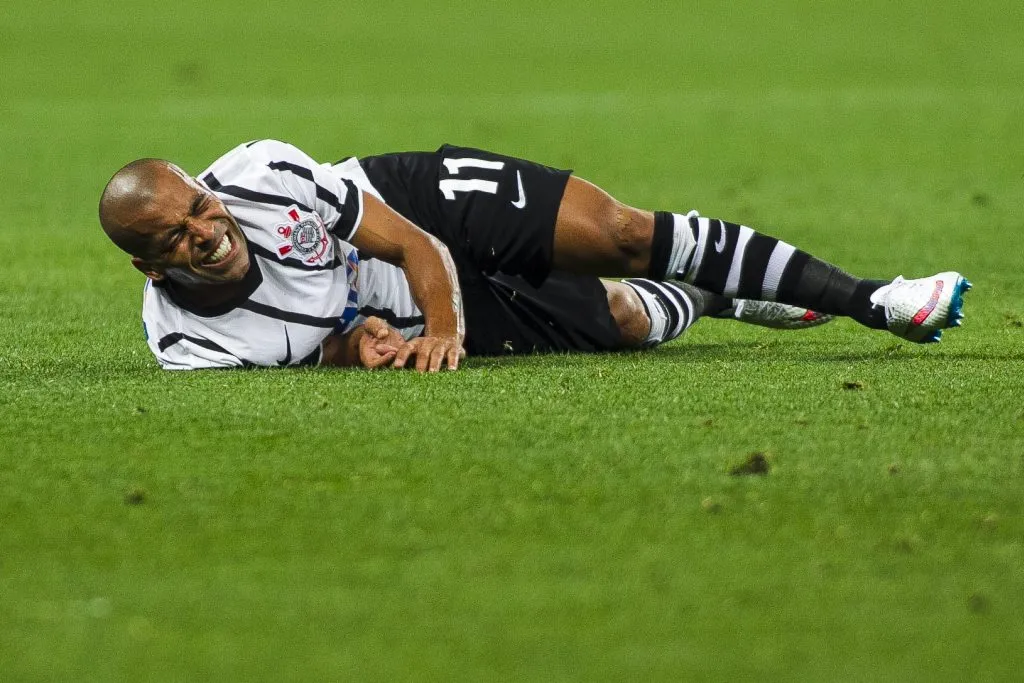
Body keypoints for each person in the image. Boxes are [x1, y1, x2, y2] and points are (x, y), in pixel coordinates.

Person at [98, 140, 970, 372]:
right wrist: (364, 342)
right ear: (150, 267)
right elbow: (310, 348)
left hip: (414, 206)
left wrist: (443, 329)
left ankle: (878, 299)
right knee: (628, 319)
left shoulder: (263, 173)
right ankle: (716, 296)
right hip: (393, 304)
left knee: (620, 235)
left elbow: (411, 242)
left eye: (200, 209)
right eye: (175, 238)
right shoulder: (190, 348)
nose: (205, 231)